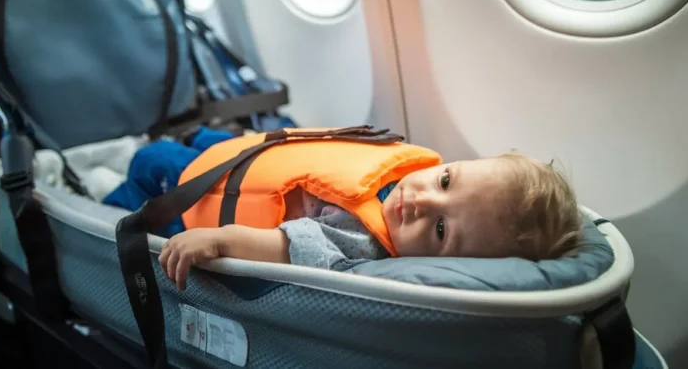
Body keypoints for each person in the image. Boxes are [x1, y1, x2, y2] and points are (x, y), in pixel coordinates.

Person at [159, 129, 582, 291]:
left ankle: (106, 185)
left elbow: (281, 246)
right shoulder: (403, 178)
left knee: (153, 162)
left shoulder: (360, 242)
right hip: (254, 156)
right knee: (204, 137)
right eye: (446, 181)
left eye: (440, 229)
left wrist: (217, 239)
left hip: (207, 195)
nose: (420, 200)